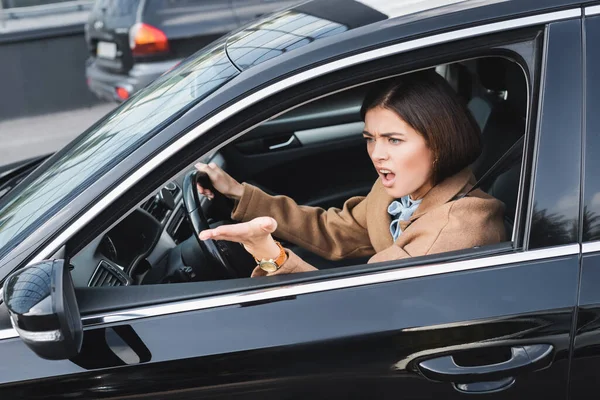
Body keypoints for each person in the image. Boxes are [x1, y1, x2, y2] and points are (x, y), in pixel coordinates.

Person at [195, 70, 506, 277]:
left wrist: (267, 252)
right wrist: (240, 193)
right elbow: (336, 230)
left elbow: (355, 310)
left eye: (394, 140)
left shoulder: (453, 233)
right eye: (371, 138)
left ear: (439, 144)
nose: (377, 153)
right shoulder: (400, 190)